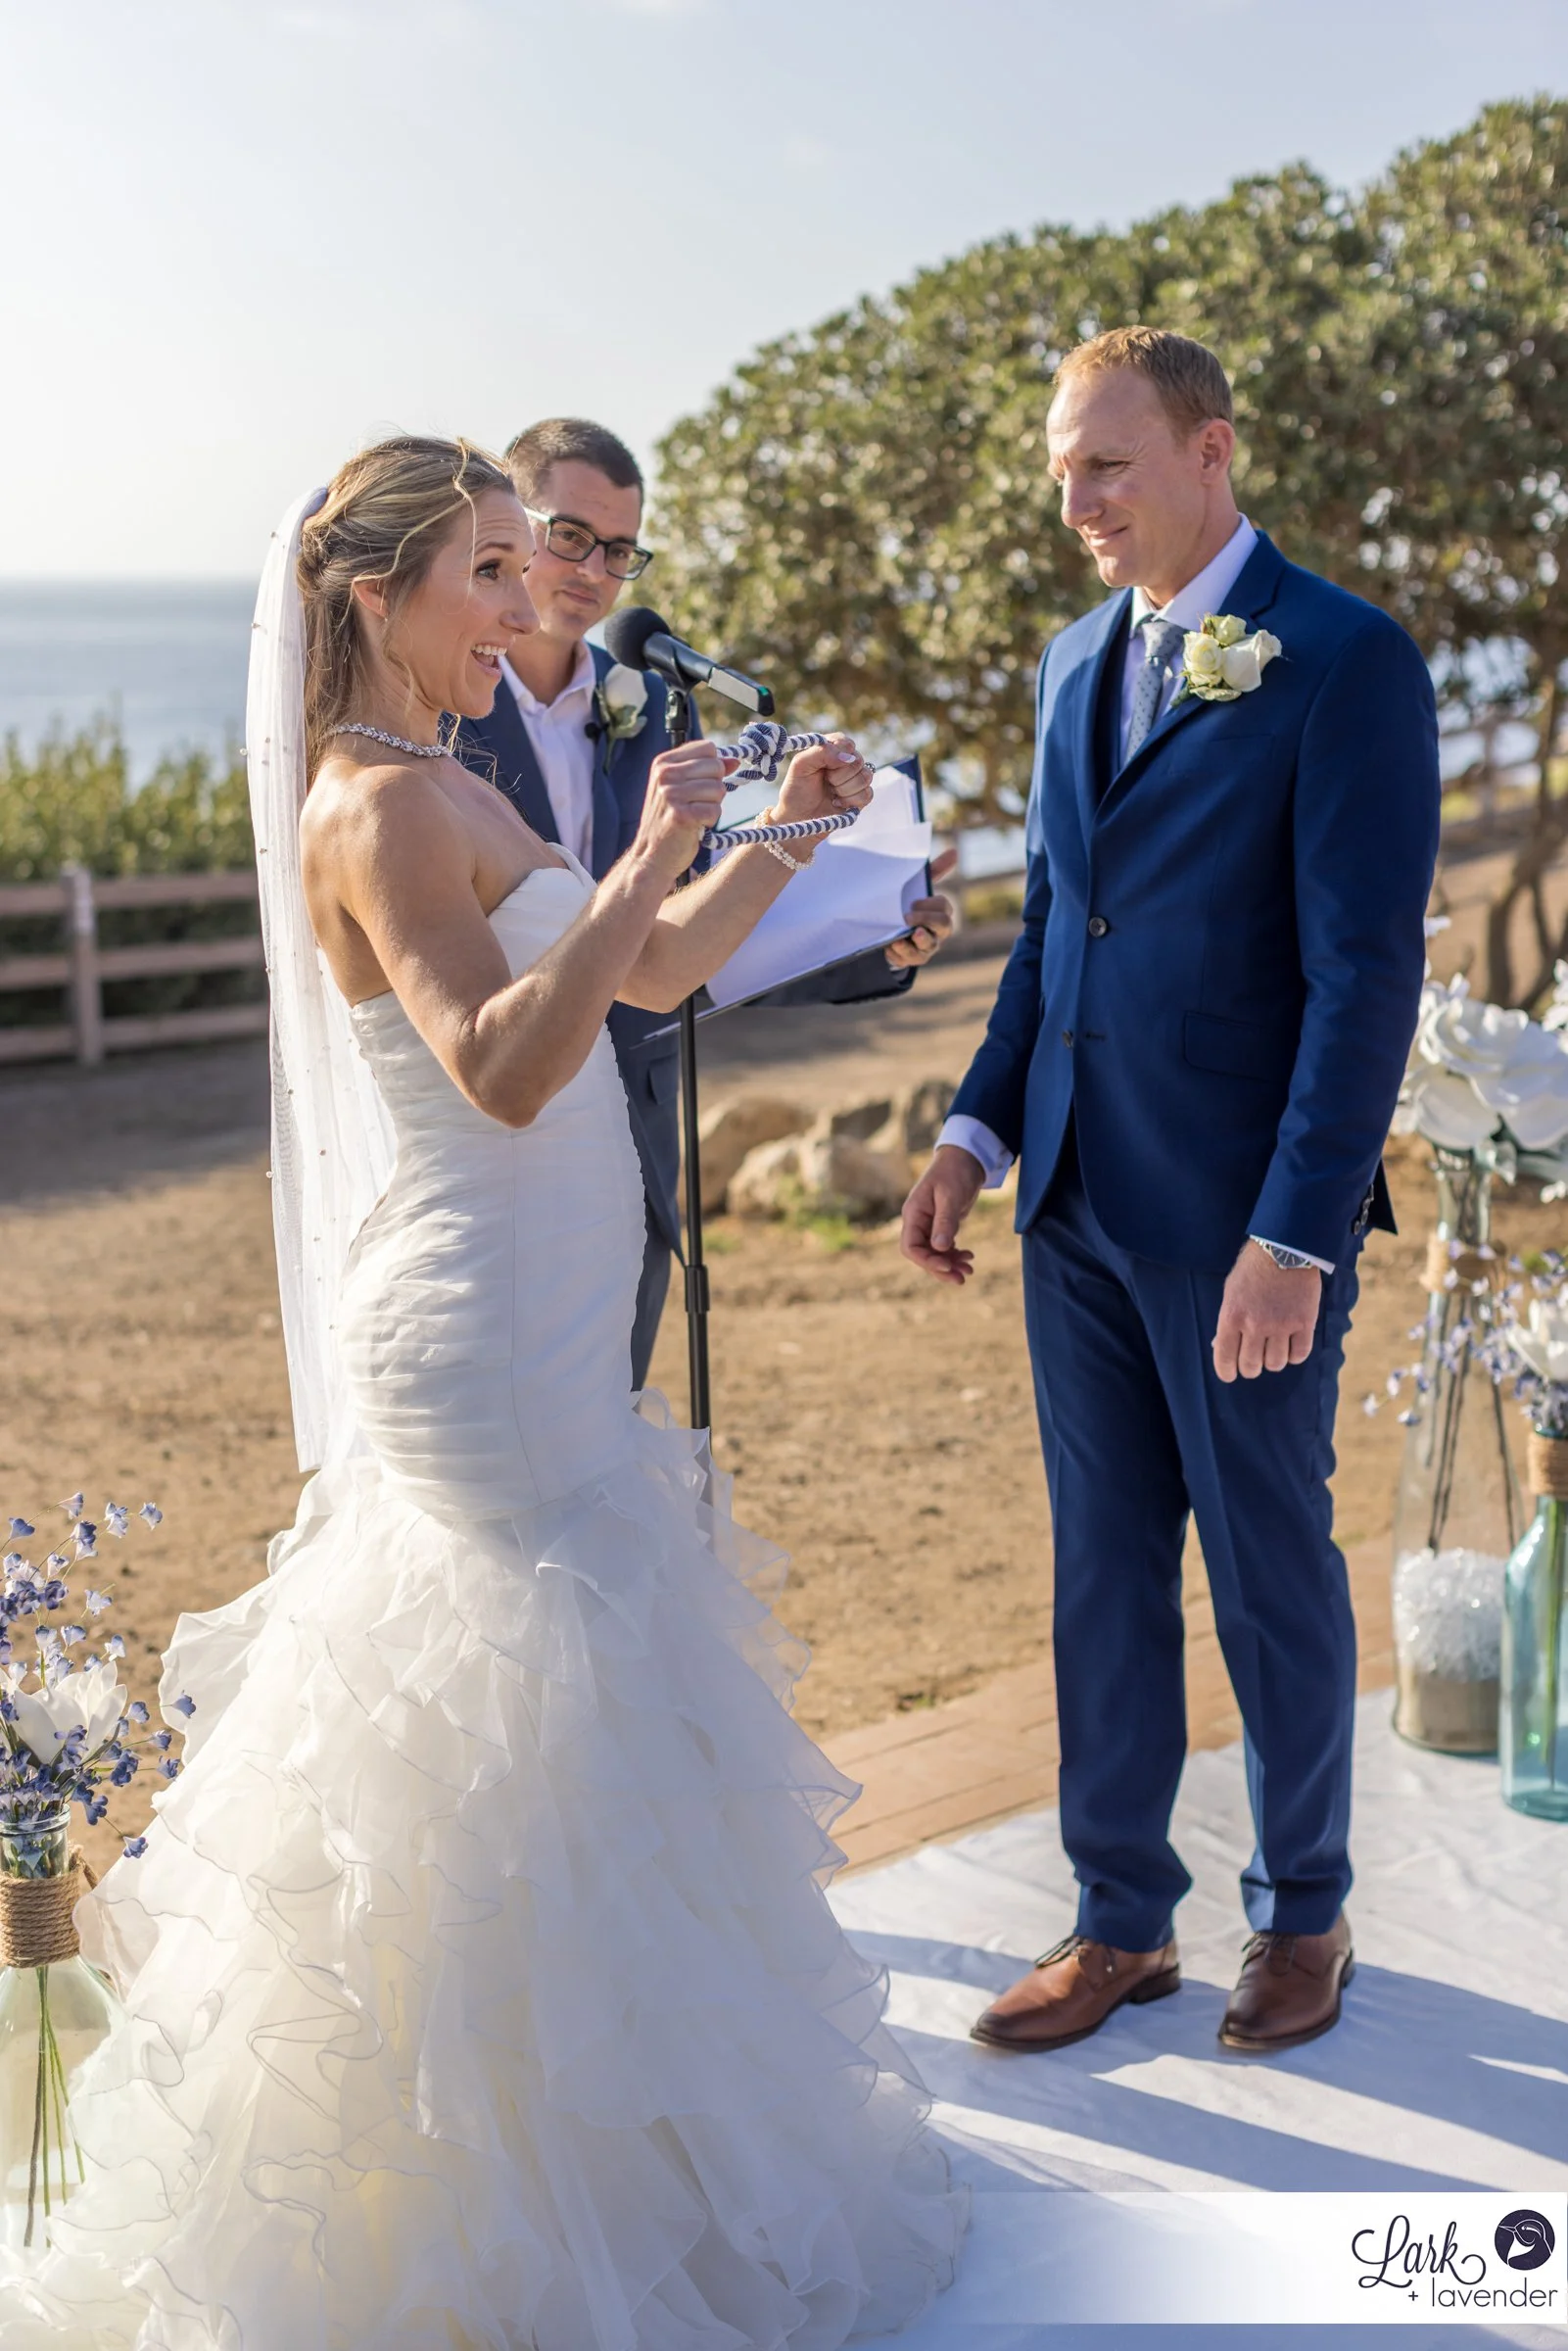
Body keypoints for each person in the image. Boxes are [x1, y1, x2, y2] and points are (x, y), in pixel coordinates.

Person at [4, 438, 963, 2346]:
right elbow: (506, 1067)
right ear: (375, 595)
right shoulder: (366, 809)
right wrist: (654, 842)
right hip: (470, 1337)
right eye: (490, 576)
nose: (528, 612)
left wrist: (774, 832)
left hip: (541, 1318)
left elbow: (655, 973)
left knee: (572, 1758)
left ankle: (594, 2172)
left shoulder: (452, 783)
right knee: (500, 1735)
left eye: (539, 572)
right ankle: (445, 2221)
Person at [903, 329, 1440, 2059]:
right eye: (1062, 470)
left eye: (1106, 467)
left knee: (1271, 1564)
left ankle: (1305, 1913)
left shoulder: (1347, 661)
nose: (1076, 502)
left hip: (1239, 1224)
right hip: (1069, 1202)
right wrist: (975, 1133)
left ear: (1212, 452)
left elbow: (1364, 983)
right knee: (1100, 1572)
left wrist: (1296, 1232)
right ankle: (1120, 1919)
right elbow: (1060, 923)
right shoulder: (1073, 660)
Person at [455, 416, 957, 1388]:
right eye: (567, 536)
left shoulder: (646, 708)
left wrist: (871, 949)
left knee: (605, 1430)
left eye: (618, 550)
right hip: (495, 1124)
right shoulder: (439, 713)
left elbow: (681, 932)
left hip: (634, 1139)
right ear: (510, 530)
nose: (592, 570)